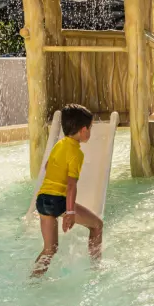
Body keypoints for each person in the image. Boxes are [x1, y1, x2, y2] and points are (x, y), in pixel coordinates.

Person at [32, 104, 103, 277]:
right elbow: (71, 185)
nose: (90, 131)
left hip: (42, 200)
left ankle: (34, 279)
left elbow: (48, 166)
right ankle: (96, 269)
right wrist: (69, 212)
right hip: (59, 201)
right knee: (97, 226)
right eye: (90, 128)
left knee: (50, 249)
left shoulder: (59, 145)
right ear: (83, 130)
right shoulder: (76, 153)